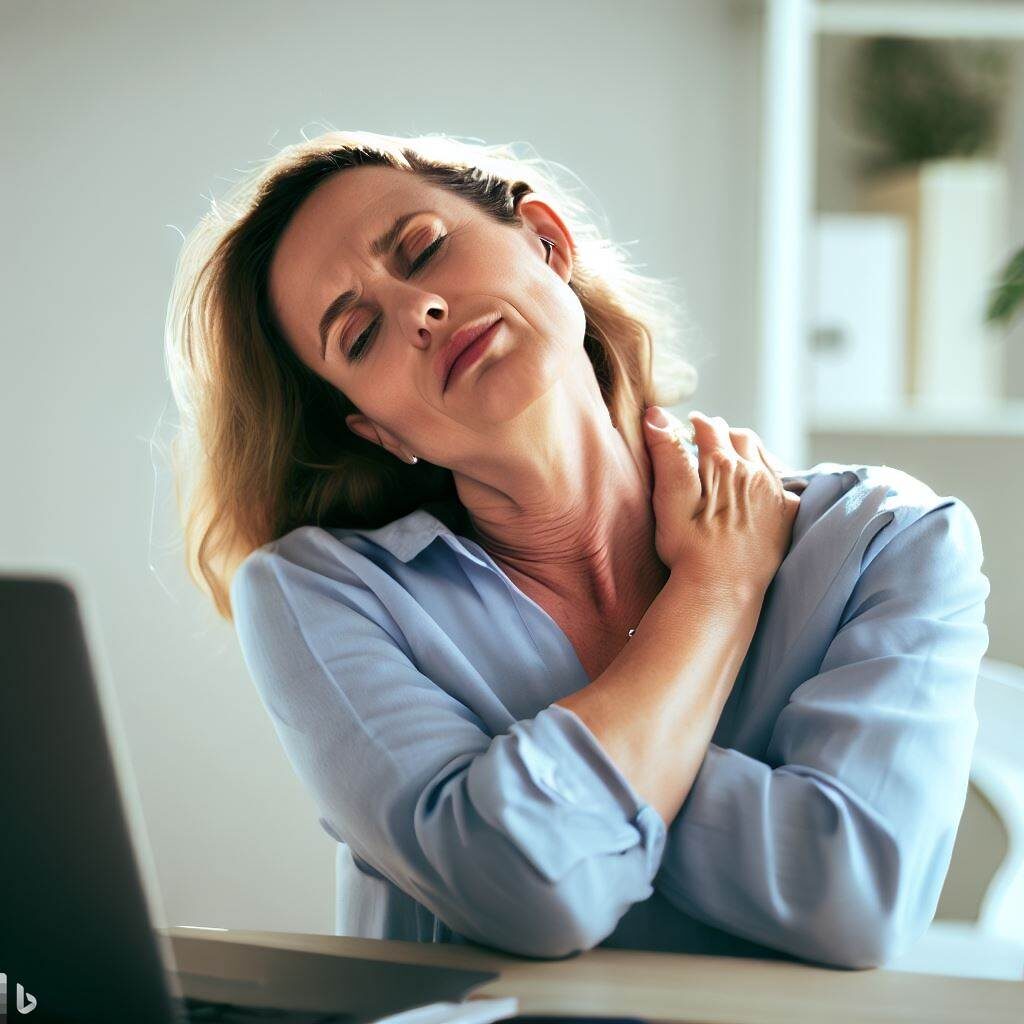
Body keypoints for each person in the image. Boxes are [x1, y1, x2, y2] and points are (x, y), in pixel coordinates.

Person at [164, 131, 990, 968]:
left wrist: (535, 790)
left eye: (423, 249)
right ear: (379, 430)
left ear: (547, 240)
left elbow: (850, 901)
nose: (417, 312)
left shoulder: (889, 539)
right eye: (360, 335)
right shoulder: (318, 593)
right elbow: (528, 893)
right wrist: (719, 587)